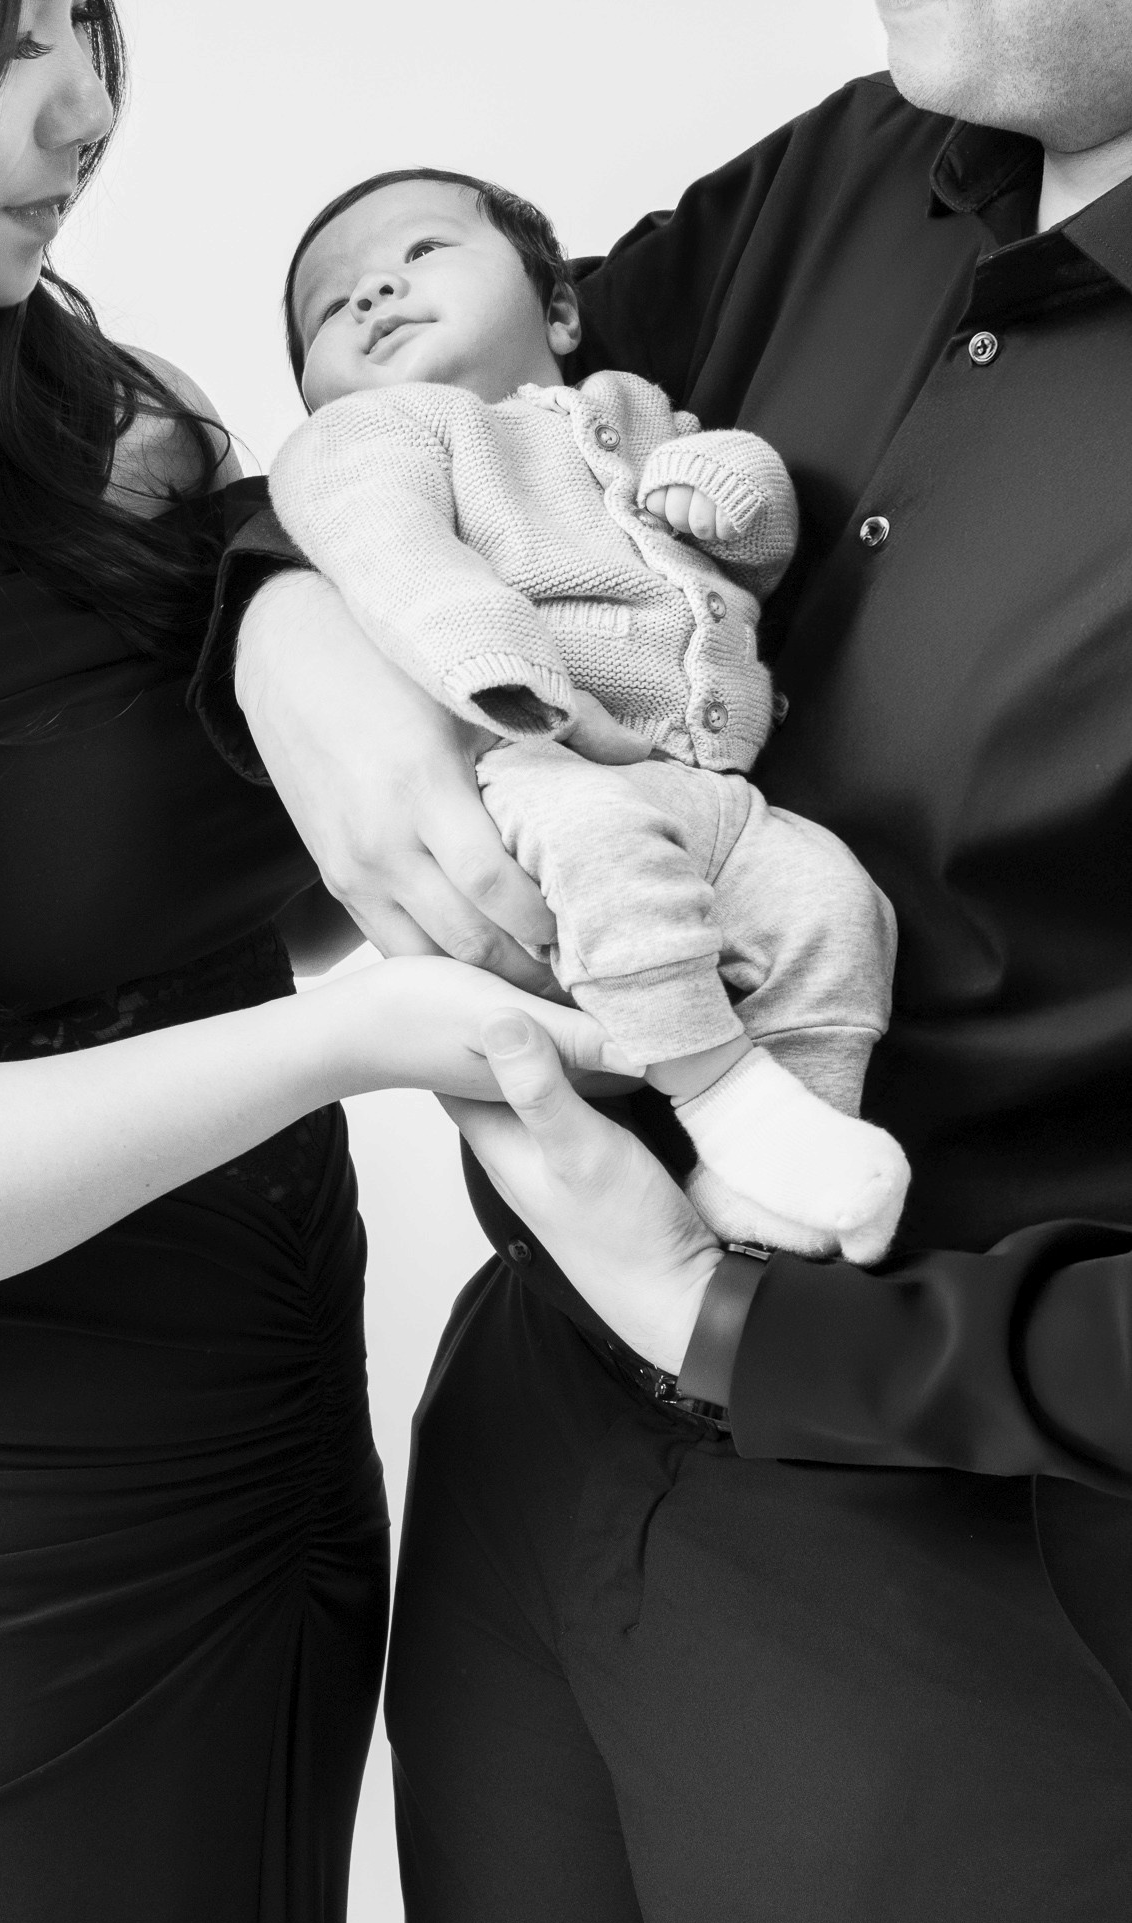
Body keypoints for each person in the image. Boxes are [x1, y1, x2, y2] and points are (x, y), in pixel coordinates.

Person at [231, 0, 1132, 1923]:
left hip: (968, 1569)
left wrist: (730, 1322)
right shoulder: (870, 155)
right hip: (527, 1461)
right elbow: (449, 405)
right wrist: (286, 628)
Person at [0, 4, 634, 1923]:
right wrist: (339, 1042)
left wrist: (414, 801)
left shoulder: (112, 423)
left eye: (83, 28)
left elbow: (197, 903)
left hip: (270, 1447)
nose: (81, 108)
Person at [270, 168, 908, 1264]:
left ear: (560, 308)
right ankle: (720, 1094)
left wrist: (728, 486)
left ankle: (782, 1162)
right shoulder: (375, 438)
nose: (372, 293)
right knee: (607, 858)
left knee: (834, 903)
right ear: (323, 394)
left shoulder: (630, 412)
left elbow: (747, 541)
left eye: (419, 254)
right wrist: (506, 677)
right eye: (332, 308)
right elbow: (394, 558)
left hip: (703, 784)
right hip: (520, 755)